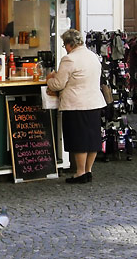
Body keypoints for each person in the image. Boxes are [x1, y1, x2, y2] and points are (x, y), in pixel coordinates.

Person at [46, 29, 106, 184]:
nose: (64, 47)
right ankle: (88, 170)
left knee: (79, 139)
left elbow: (58, 84)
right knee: (92, 139)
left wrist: (49, 79)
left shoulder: (69, 59)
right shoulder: (93, 56)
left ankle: (79, 172)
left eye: (64, 44)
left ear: (69, 44)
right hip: (94, 102)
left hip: (76, 104)